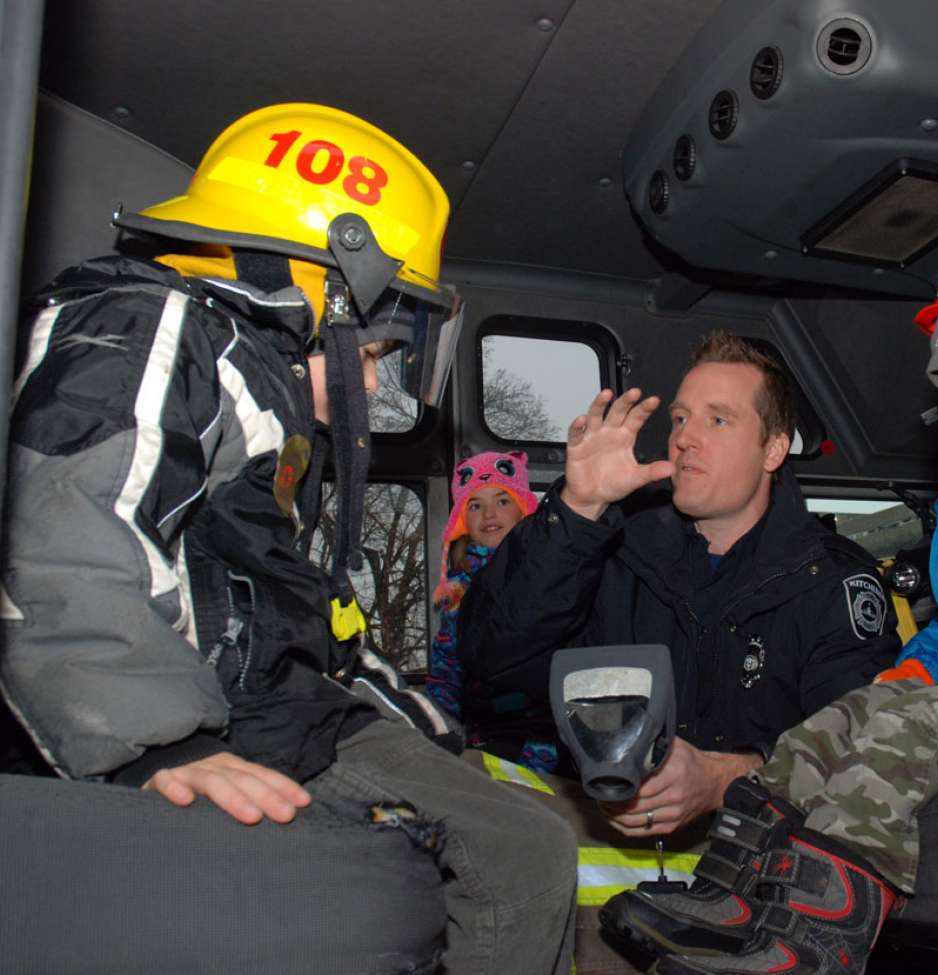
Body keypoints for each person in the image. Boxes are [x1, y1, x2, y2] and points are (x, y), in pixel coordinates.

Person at [0, 103, 575, 974]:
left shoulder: (264, 414)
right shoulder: (153, 332)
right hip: (200, 716)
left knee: (524, 835)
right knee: (521, 855)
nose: (377, 373)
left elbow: (313, 631)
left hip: (274, 710)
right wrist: (158, 744)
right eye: (379, 344)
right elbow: (64, 536)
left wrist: (440, 740)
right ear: (322, 292)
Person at [600, 246, 938, 974]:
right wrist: (913, 667)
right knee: (837, 719)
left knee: (901, 727)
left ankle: (816, 938)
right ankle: (733, 896)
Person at [459, 331, 899, 837]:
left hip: (765, 851)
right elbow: (492, 659)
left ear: (773, 449)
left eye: (718, 419)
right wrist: (578, 511)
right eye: (681, 419)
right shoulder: (612, 549)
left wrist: (722, 779)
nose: (686, 437)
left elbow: (859, 751)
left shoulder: (832, 580)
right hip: (602, 835)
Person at [426, 451, 537, 731]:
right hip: (486, 723)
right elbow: (447, 664)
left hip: (547, 722)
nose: (489, 514)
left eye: (502, 501)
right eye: (475, 506)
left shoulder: (545, 569)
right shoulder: (459, 586)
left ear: (523, 509)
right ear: (462, 521)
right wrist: (440, 725)